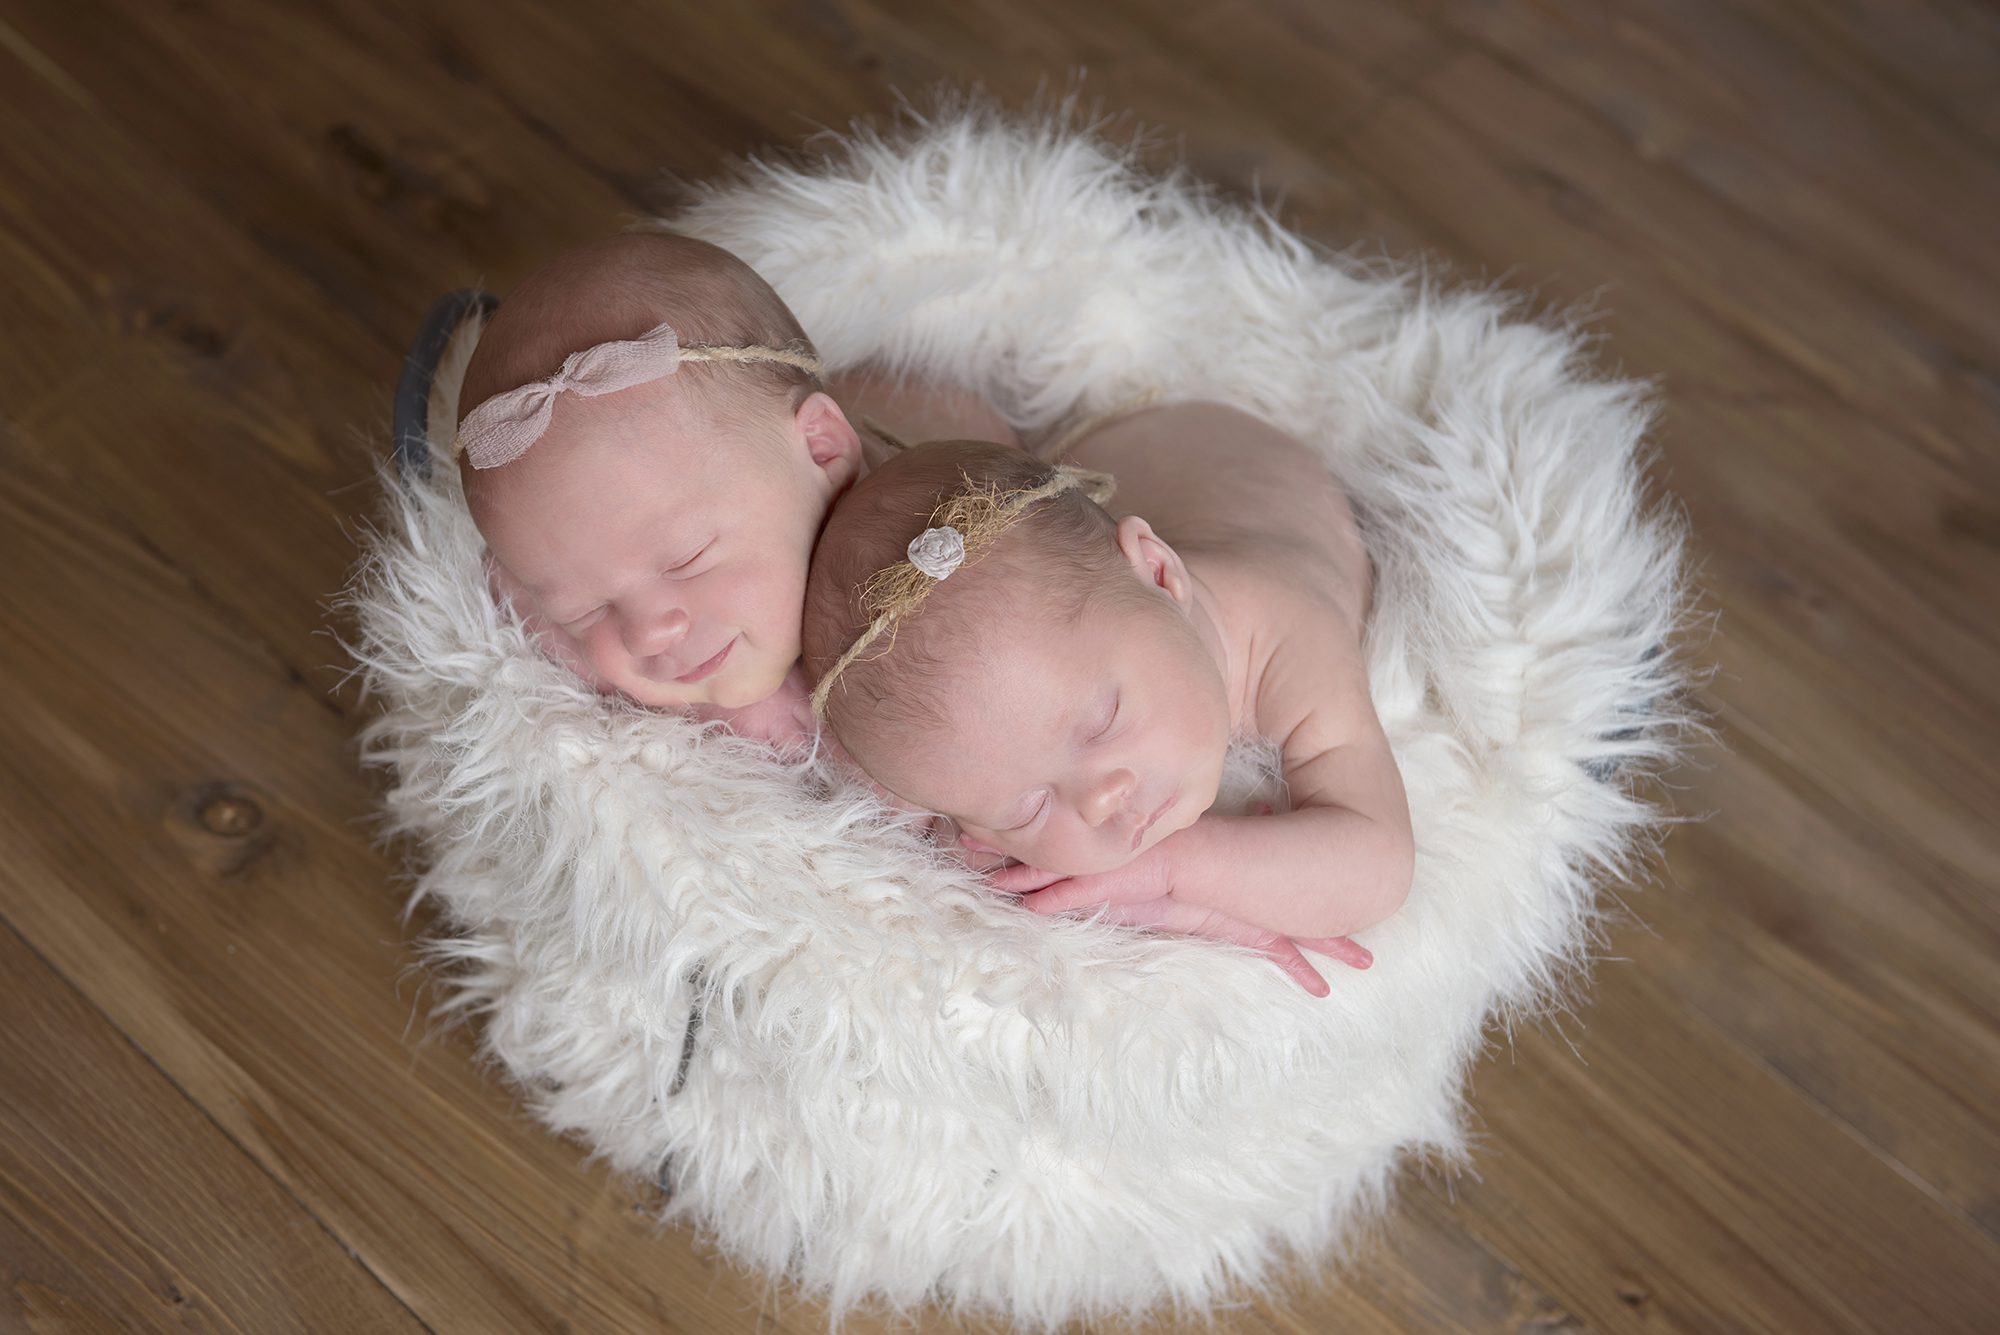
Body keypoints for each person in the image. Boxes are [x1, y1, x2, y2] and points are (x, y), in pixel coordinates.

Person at [801, 408, 1414, 992]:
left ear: (1161, 573)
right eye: (1027, 809)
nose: (1098, 803)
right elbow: (982, 861)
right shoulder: (998, 736)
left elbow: (1378, 863)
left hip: (1188, 443)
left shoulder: (1285, 639)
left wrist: (1179, 870)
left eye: (1103, 722)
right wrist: (1173, 910)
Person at [453, 230, 1014, 747]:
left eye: (688, 559)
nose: (650, 634)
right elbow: (510, 592)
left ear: (822, 451)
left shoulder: (942, 578)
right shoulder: (579, 615)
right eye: (586, 609)